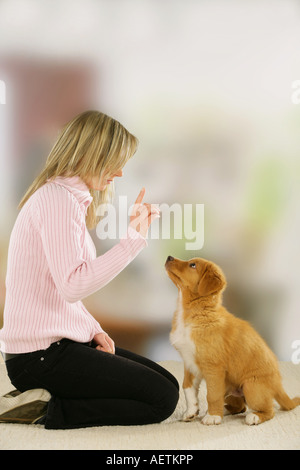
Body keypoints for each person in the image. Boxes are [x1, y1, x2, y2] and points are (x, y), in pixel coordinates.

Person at [0, 110, 179, 429]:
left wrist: (92, 328)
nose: (121, 172)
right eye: (114, 161)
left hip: (56, 345)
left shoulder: (66, 197)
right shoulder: (57, 200)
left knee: (166, 382)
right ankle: (49, 408)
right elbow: (73, 285)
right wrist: (133, 241)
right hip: (39, 358)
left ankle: (50, 397)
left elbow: (60, 292)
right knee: (161, 398)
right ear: (90, 154)